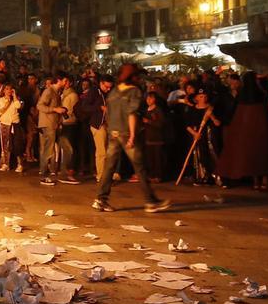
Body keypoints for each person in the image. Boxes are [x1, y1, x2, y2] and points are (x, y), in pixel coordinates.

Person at [93, 63, 170, 213]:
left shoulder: (114, 91)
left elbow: (108, 112)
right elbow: (132, 114)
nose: (140, 79)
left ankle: (100, 199)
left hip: (113, 132)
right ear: (133, 77)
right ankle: (150, 201)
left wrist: (111, 130)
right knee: (140, 167)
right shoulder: (134, 91)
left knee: (109, 167)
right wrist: (133, 135)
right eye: (137, 76)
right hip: (126, 133)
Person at [216, 72, 268, 189]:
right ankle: (264, 181)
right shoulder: (261, 95)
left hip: (245, 131)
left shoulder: (241, 95)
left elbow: (234, 112)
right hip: (261, 129)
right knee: (262, 152)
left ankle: (256, 181)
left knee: (251, 153)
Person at [36, 72, 75, 185]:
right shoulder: (49, 91)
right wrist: (55, 109)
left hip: (56, 124)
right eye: (65, 81)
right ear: (59, 80)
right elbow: (40, 105)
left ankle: (64, 173)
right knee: (48, 149)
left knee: (67, 148)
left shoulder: (57, 92)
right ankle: (44, 175)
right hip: (48, 124)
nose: (66, 83)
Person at [180, 88, 221, 185]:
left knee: (212, 154)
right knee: (199, 155)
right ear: (196, 98)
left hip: (209, 136)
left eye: (205, 96)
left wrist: (212, 116)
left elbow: (217, 124)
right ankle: (201, 177)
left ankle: (215, 177)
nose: (204, 98)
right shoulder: (192, 110)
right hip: (197, 135)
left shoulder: (211, 109)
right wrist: (195, 134)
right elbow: (187, 125)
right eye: (201, 96)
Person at [141, 91, 169, 183]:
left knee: (158, 159)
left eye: (151, 98)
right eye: (147, 98)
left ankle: (158, 176)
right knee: (150, 158)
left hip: (157, 139)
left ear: (155, 99)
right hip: (148, 138)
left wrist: (148, 121)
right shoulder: (146, 110)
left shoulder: (158, 110)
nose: (148, 100)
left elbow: (161, 124)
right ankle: (151, 175)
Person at [0, 83, 21, 171]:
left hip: (14, 123)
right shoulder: (0, 100)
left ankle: (19, 164)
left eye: (10, 89)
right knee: (6, 144)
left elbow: (18, 106)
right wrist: (6, 104)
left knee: (17, 144)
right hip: (5, 124)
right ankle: (6, 163)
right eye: (7, 89)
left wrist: (14, 96)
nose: (9, 91)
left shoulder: (15, 100)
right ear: (4, 90)